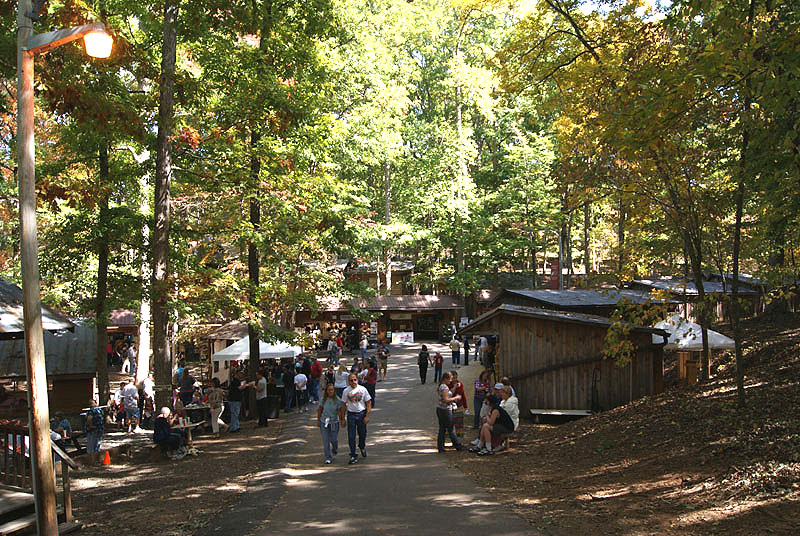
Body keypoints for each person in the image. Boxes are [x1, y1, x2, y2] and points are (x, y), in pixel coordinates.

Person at [340, 372, 371, 465]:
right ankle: (353, 454)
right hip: (351, 415)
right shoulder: (346, 391)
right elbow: (343, 405)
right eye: (351, 380)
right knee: (351, 436)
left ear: (357, 380)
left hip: (361, 414)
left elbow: (368, 403)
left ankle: (362, 446)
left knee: (362, 434)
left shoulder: (363, 389)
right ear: (348, 382)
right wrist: (342, 418)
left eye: (355, 380)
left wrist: (367, 416)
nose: (353, 382)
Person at [435, 372, 464, 452]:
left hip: (440, 409)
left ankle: (440, 447)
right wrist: (456, 398)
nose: (451, 381)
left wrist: (454, 387)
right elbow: (446, 399)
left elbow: (449, 393)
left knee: (442, 428)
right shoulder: (444, 387)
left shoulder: (442, 386)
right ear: (446, 379)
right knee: (451, 428)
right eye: (450, 379)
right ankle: (457, 445)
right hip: (445, 410)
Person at [317, 384, 343, 464]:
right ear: (326, 391)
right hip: (324, 422)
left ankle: (334, 450)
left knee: (333, 439)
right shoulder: (323, 399)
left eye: (332, 390)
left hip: (334, 422)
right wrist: (318, 420)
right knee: (325, 440)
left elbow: (339, 412)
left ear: (334, 391)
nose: (330, 391)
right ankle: (328, 457)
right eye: (329, 390)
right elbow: (320, 410)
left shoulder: (338, 400)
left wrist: (342, 420)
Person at [450, 370, 468, 438]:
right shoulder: (448, 384)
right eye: (453, 378)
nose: (455, 379)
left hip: (459, 406)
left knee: (459, 422)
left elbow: (463, 395)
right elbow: (449, 394)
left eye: (456, 377)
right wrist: (454, 387)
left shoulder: (460, 384)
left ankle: (459, 435)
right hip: (451, 406)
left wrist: (465, 406)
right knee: (452, 422)